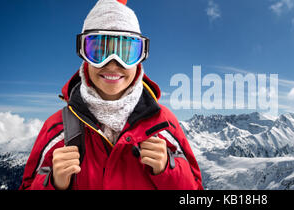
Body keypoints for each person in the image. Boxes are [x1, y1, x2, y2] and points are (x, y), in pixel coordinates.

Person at [19, 0, 203, 190]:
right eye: (98, 52)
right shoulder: (58, 128)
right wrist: (54, 183)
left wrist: (169, 169)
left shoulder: (164, 123)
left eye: (126, 53)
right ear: (83, 55)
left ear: (140, 57)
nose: (113, 63)